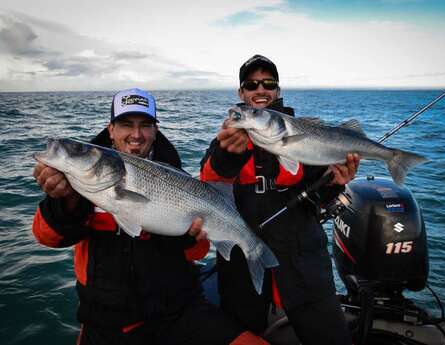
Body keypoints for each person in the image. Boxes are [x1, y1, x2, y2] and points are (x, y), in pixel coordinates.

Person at [32, 88, 268, 345]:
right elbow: (48, 238)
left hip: (179, 311)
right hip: (107, 323)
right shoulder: (78, 185)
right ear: (110, 129)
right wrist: (63, 202)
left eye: (145, 125)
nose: (136, 134)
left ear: (155, 130)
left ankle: (256, 251)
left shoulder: (176, 176)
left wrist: (188, 238)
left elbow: (197, 253)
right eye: (125, 125)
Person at [200, 55, 360, 345]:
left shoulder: (305, 136)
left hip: (304, 265)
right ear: (241, 93)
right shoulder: (225, 138)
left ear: (278, 90)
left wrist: (335, 182)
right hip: (242, 265)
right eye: (251, 84)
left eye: (268, 83)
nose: (260, 89)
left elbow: (320, 199)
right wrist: (226, 156)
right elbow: (208, 189)